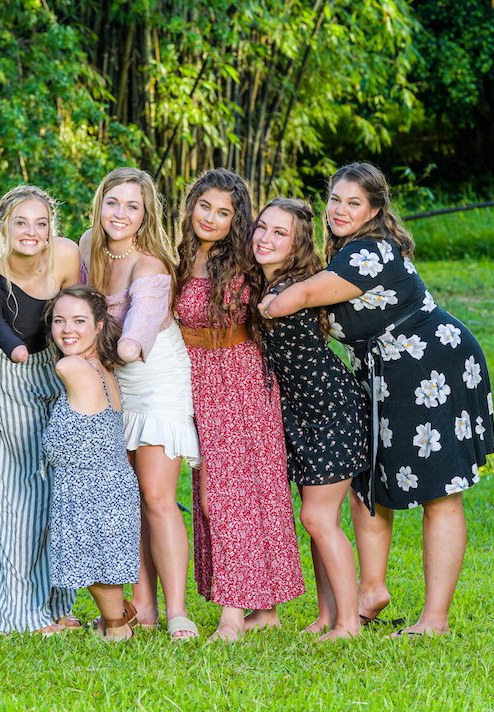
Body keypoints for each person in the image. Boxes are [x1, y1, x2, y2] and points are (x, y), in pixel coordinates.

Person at [260, 162, 494, 637]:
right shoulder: (343, 251)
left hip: (431, 365)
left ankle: (434, 619)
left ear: (374, 211)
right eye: (335, 200)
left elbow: (300, 295)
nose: (340, 210)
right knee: (367, 485)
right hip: (381, 375)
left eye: (354, 203)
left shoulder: (371, 252)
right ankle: (370, 591)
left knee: (440, 492)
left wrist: (267, 301)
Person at [175, 170, 304, 642]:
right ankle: (263, 608)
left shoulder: (248, 260)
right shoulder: (177, 256)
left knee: (237, 495)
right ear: (191, 205)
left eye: (224, 212)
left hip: (242, 379)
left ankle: (233, 616)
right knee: (213, 494)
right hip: (193, 380)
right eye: (204, 206)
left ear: (237, 220)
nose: (211, 218)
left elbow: (296, 275)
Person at [81, 167, 201, 639]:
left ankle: (177, 613)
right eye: (113, 202)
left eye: (133, 206)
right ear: (100, 203)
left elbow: (133, 342)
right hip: (113, 380)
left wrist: (82, 349)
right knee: (127, 498)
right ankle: (143, 608)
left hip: (153, 379)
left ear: (146, 213)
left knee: (156, 496)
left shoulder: (150, 267)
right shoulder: (90, 245)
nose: (121, 214)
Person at [251, 197, 370, 641]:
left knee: (318, 519)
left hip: (330, 408)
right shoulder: (263, 279)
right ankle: (326, 616)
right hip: (297, 412)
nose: (265, 238)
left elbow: (276, 308)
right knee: (319, 518)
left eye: (279, 233)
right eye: (262, 228)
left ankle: (350, 623)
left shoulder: (298, 284)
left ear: (298, 245)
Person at [0, 185, 83, 634]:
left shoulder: (67, 256)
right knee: (21, 493)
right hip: (9, 376)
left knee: (61, 491)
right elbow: (2, 331)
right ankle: (20, 615)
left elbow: (80, 314)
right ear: (4, 227)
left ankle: (58, 606)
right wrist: (25, 353)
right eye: (21, 222)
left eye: (41, 223)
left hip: (61, 368)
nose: (31, 232)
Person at [42, 285, 141, 641]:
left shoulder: (71, 366)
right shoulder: (103, 368)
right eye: (59, 320)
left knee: (95, 562)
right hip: (109, 482)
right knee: (102, 561)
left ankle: (116, 625)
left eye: (79, 321)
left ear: (99, 325)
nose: (67, 329)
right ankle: (116, 618)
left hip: (92, 486)